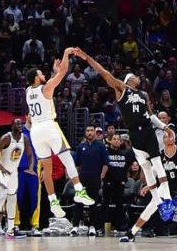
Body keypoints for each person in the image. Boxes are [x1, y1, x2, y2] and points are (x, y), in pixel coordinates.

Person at [75, 49, 173, 208]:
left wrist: (164, 127)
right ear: (128, 80)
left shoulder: (144, 94)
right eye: (133, 76)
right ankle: (157, 200)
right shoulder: (122, 88)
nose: (136, 77)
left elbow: (151, 115)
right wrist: (87, 58)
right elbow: (104, 72)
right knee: (146, 167)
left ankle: (167, 199)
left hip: (147, 129)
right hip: (134, 133)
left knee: (157, 162)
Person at [25, 47, 95, 218]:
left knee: (46, 169)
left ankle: (52, 201)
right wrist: (66, 53)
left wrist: (53, 75)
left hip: (35, 131)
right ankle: (79, 190)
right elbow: (64, 71)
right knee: (67, 158)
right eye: (41, 74)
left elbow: (48, 87)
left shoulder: (28, 91)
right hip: (49, 127)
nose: (43, 75)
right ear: (36, 77)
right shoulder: (45, 88)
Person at [122, 130, 177, 243]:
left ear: (174, 138)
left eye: (171, 135)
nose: (169, 138)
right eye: (166, 136)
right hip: (167, 183)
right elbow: (153, 171)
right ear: (163, 140)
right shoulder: (159, 155)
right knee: (152, 205)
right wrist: (149, 186)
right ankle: (132, 233)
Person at [0, 118, 28, 239]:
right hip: (0, 169)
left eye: (21, 124)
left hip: (13, 171)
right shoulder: (6, 138)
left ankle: (10, 230)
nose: (20, 125)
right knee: (2, 196)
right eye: (17, 124)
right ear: (12, 126)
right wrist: (2, 168)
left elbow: (30, 154)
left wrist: (32, 167)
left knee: (12, 199)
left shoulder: (25, 139)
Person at [73, 126, 109, 236]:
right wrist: (77, 178)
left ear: (94, 133)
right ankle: (75, 226)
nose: (90, 133)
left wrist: (101, 176)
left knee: (93, 203)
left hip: (95, 178)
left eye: (91, 131)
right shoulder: (81, 147)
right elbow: (77, 164)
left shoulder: (101, 146)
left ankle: (92, 226)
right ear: (85, 133)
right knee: (78, 202)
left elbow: (106, 163)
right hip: (82, 178)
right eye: (87, 131)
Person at [104, 133, 136, 236]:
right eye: (114, 139)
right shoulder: (106, 153)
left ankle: (119, 226)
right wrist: (106, 180)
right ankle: (104, 225)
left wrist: (124, 180)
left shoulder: (124, 154)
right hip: (108, 183)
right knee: (106, 205)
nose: (117, 141)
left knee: (119, 206)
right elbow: (104, 166)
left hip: (119, 184)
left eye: (118, 139)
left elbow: (126, 167)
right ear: (111, 141)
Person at [15, 125, 42, 236]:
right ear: (26, 115)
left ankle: (35, 225)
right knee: (17, 197)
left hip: (34, 168)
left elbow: (43, 150)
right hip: (18, 168)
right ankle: (15, 224)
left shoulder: (39, 130)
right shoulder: (19, 130)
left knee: (35, 197)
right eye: (30, 113)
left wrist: (43, 168)